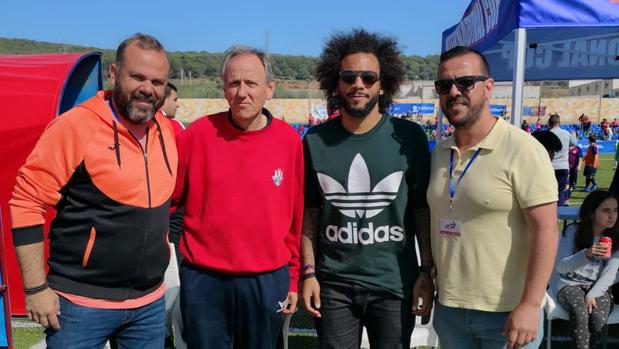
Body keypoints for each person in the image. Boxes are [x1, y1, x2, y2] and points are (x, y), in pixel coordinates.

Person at [9, 33, 176, 348]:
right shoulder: (74, 127)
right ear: (114, 74)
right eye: (137, 76)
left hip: (148, 303)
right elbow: (26, 202)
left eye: (157, 81)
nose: (147, 88)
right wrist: (34, 289)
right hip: (80, 305)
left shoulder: (165, 131)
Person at [301, 29, 433, 349]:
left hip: (393, 283)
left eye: (368, 77)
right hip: (334, 285)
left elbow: (421, 210)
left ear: (383, 83)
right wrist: (308, 272)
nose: (358, 84)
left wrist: (426, 272)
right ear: (336, 83)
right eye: (348, 76)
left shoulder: (409, 137)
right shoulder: (315, 141)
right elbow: (310, 212)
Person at [427, 46, 558, 349]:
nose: (454, 92)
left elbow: (546, 231)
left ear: (488, 88)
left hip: (508, 313)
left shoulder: (523, 148)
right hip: (449, 308)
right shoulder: (440, 152)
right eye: (444, 85)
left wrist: (530, 303)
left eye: (465, 82)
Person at [172, 46, 303, 349]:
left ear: (270, 89)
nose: (242, 92)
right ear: (224, 88)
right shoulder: (197, 135)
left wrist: (294, 277)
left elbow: (295, 218)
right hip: (205, 281)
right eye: (234, 83)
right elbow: (171, 203)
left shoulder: (289, 141)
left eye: (251, 83)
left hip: (267, 280)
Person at [552, 190, 619, 349]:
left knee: (597, 317)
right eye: (605, 211)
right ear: (591, 214)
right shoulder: (572, 232)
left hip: (600, 287)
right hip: (569, 284)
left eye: (616, 211)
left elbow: (611, 273)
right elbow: (561, 267)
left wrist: (593, 294)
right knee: (580, 312)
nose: (612, 216)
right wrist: (587, 254)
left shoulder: (616, 238)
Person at [548, 114, 577, 206]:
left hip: (550, 166)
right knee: (560, 191)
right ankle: (559, 214)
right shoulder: (566, 133)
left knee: (548, 191)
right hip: (563, 166)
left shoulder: (547, 134)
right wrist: (574, 135)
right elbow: (574, 143)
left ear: (549, 123)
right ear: (559, 123)